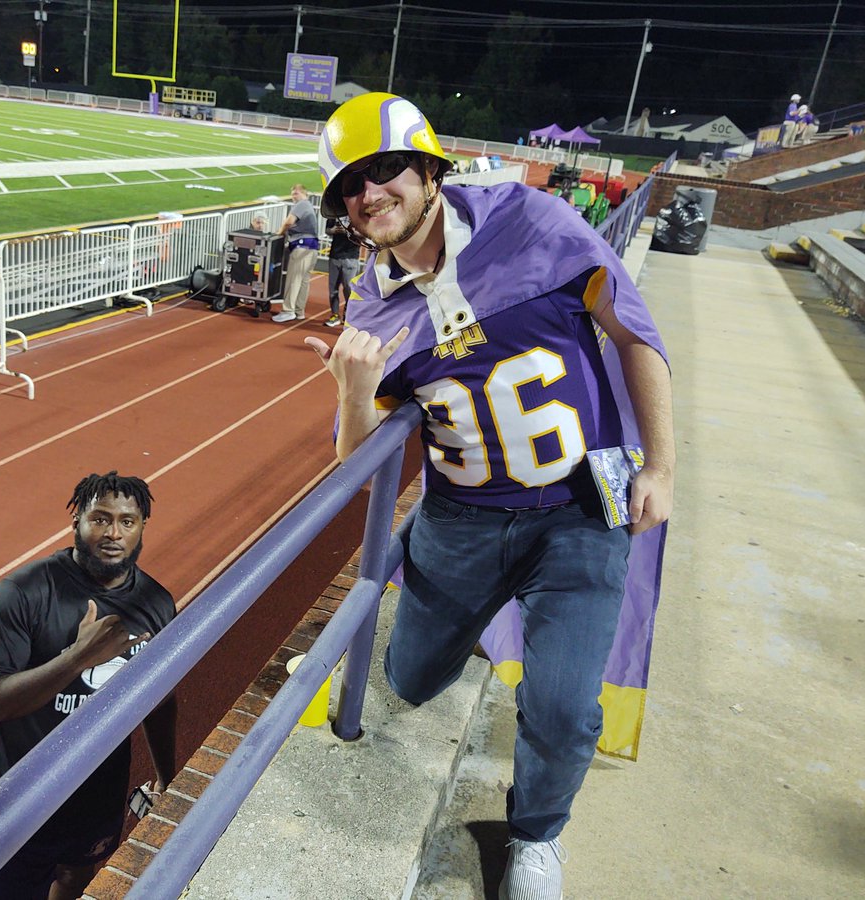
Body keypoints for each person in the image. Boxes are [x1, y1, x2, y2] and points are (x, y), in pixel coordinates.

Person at [303, 93, 673, 900]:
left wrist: (662, 467)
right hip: (460, 520)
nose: (369, 195)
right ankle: (467, 628)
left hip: (577, 514)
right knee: (409, 680)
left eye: (384, 171)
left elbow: (635, 331)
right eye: (350, 188)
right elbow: (356, 467)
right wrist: (354, 393)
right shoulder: (370, 303)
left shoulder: (533, 221)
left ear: (429, 167)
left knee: (568, 705)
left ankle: (537, 837)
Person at [0, 472, 178, 900]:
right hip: (22, 802)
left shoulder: (157, 603)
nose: (113, 533)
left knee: (75, 879)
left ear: (142, 528)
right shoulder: (25, 591)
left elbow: (160, 698)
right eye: (99, 519)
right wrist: (77, 658)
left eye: (127, 522)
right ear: (76, 521)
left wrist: (166, 776)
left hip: (98, 796)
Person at [272, 183, 319, 323]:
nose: (293, 196)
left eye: (295, 193)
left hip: (301, 247)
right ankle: (299, 311)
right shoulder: (308, 206)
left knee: (294, 279)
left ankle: (288, 310)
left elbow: (288, 222)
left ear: (303, 193)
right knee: (303, 281)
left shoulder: (301, 205)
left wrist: (279, 233)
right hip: (312, 247)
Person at [324, 219, 359, 328]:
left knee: (349, 288)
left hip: (351, 256)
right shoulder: (334, 213)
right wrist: (333, 230)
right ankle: (334, 314)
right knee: (332, 288)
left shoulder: (357, 214)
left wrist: (349, 231)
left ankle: (348, 313)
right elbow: (327, 230)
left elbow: (364, 234)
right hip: (335, 255)